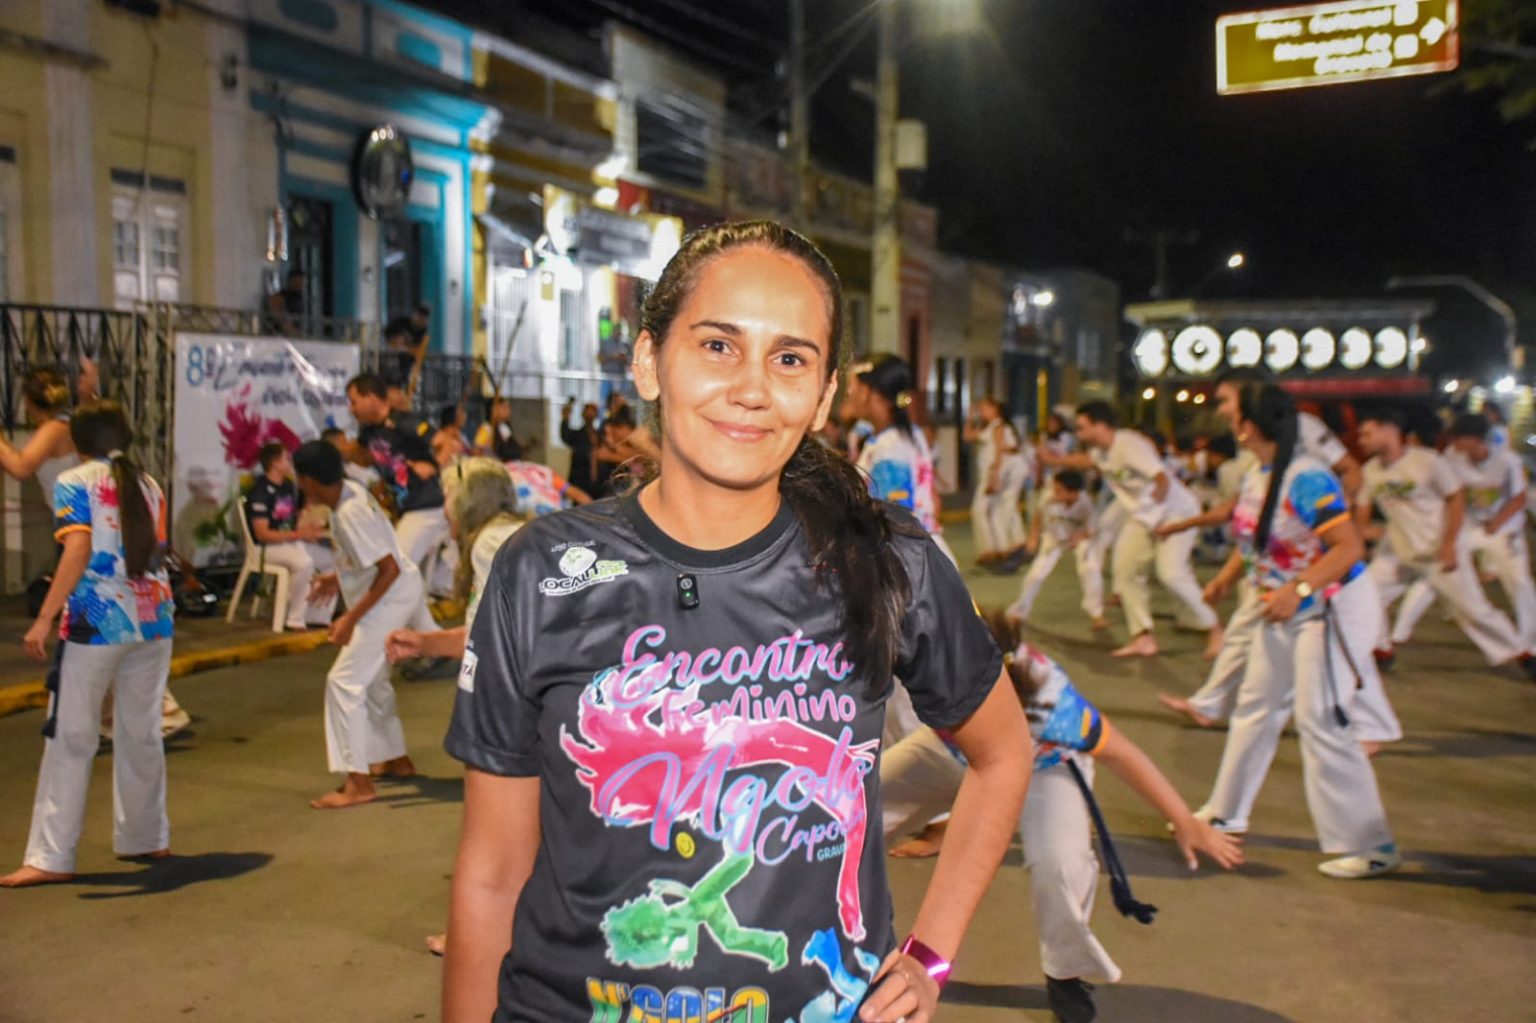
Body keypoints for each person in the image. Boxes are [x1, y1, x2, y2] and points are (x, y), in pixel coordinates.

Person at [441, 220, 1031, 1023]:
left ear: (823, 395)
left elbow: (1003, 751)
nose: (752, 388)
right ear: (649, 360)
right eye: (718, 345)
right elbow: (491, 875)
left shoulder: (884, 559)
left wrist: (931, 957)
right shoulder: (542, 571)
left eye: (789, 359)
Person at [881, 611, 1242, 1023]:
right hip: (952, 750)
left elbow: (1123, 754)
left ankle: (1065, 972)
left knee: (1061, 867)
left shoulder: (1053, 704)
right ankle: (832, 925)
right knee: (848, 809)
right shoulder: (938, 646)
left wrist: (1186, 821)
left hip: (1044, 766)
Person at [1192, 383, 1401, 878]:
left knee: (1321, 718)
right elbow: (1256, 541)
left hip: (1328, 608)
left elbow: (1348, 547)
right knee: (1255, 707)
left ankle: (1371, 844)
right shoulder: (1258, 473)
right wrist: (1227, 580)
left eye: (1229, 408)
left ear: (1249, 425)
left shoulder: (1307, 477)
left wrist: (1299, 589)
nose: (1224, 415)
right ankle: (1224, 813)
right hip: (1283, 608)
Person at [2, 402, 175, 887]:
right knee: (141, 731)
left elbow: (77, 548)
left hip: (97, 623)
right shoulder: (148, 483)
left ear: (77, 443)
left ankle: (51, 856)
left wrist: (44, 618)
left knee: (71, 738)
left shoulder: (75, 481)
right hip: (153, 620)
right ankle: (146, 835)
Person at [1158, 371, 1362, 727]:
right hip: (1278, 576)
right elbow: (1255, 524)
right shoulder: (1257, 464)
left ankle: (1367, 727)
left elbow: (1348, 481)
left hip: (1321, 585)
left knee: (1326, 700)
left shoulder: (1303, 450)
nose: (1220, 410)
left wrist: (1330, 517)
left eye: (1225, 400)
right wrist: (1224, 574)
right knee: (1258, 690)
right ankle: (1211, 704)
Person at [385, 457, 526, 957]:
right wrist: (427, 643)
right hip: (518, 699)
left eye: (448, 496)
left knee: (489, 835)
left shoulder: (490, 543)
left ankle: (477, 934)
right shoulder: (510, 535)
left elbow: (492, 635)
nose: (442, 507)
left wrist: (428, 644)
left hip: (502, 703)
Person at [294, 440, 435, 809]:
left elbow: (387, 569)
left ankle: (358, 783)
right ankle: (395, 758)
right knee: (371, 680)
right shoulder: (350, 493)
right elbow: (371, 555)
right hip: (399, 589)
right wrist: (336, 578)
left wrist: (349, 618)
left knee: (344, 682)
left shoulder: (349, 511)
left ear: (308, 481)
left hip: (390, 595)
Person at [1356, 405, 1536, 677]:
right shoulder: (1371, 470)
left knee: (1472, 610)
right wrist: (1362, 529)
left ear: (1390, 430)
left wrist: (1450, 544)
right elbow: (1363, 504)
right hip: (1400, 551)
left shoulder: (1427, 462)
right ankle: (1381, 650)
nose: (1362, 440)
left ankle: (1521, 653)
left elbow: (1456, 498)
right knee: (1366, 594)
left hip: (1438, 549)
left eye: (1368, 433)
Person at [1042, 402, 1221, 659]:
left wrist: (1160, 501)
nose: (1079, 433)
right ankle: (1143, 637)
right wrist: (1053, 459)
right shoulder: (1101, 453)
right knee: (1125, 570)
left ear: (1100, 425)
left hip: (1176, 514)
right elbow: (1086, 461)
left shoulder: (1129, 444)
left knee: (1171, 574)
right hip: (1144, 518)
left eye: (1082, 427)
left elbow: (1160, 477)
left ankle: (1215, 629)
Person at [846, 353, 952, 562]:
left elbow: (893, 522)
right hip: (920, 555)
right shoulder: (906, 435)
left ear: (866, 392)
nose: (848, 393)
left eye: (852, 386)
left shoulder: (891, 449)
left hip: (905, 563)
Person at [346, 373, 449, 579]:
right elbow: (359, 456)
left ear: (370, 398)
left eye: (354, 402)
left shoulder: (404, 422)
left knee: (396, 572)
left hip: (426, 507)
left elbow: (447, 443)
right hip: (405, 508)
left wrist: (435, 466)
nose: (351, 409)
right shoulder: (369, 433)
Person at [244, 442, 333, 631]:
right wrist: (299, 534)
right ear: (275, 463)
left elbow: (292, 519)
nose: (290, 463)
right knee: (304, 563)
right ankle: (294, 617)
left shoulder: (288, 487)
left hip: (291, 542)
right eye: (287, 459)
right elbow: (263, 534)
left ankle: (317, 616)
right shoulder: (260, 491)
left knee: (331, 560)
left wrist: (308, 526)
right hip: (266, 548)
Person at [1006, 469, 1105, 630]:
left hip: (1079, 537)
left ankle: (1096, 614)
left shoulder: (1086, 504)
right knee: (1035, 575)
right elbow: (1038, 517)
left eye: (1059, 490)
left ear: (1073, 492)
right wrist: (1033, 538)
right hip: (1053, 538)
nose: (1054, 492)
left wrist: (1079, 538)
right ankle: (1018, 613)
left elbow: (1092, 529)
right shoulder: (1048, 497)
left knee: (1090, 570)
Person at [0, 369, 77, 511]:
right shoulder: (62, 424)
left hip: (74, 514)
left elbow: (20, 468)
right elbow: (15, 460)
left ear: (28, 401)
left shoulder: (54, 429)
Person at [965, 398, 1028, 563]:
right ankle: (1009, 545)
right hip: (994, 473)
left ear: (995, 409)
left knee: (985, 509)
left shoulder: (999, 427)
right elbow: (968, 436)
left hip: (995, 473)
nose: (982, 412)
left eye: (985, 408)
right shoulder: (989, 427)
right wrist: (970, 418)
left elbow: (999, 451)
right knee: (1002, 508)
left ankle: (993, 549)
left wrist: (995, 474)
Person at [558, 397, 600, 494]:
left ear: (596, 415)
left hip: (597, 481)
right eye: (587, 410)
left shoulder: (600, 436)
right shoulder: (577, 435)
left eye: (592, 411)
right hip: (579, 479)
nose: (590, 413)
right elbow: (566, 436)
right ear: (583, 414)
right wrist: (565, 418)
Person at [477, 396, 524, 462]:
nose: (508, 410)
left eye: (508, 407)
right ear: (493, 410)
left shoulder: (504, 428)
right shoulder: (486, 429)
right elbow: (478, 450)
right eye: (504, 407)